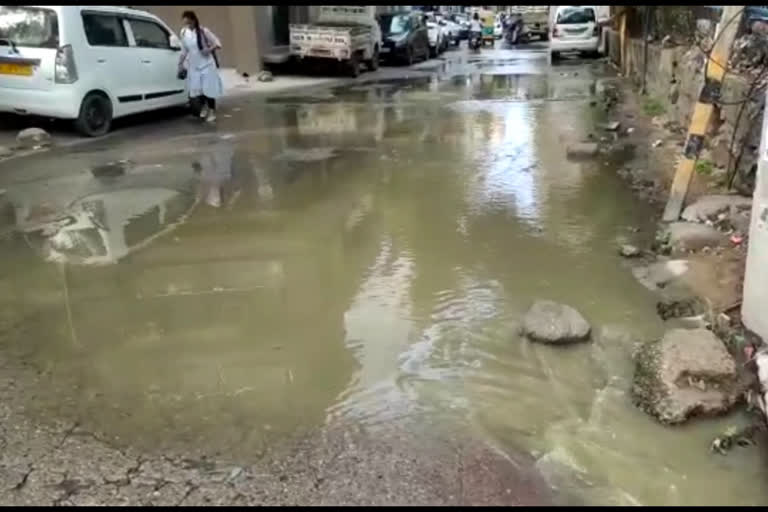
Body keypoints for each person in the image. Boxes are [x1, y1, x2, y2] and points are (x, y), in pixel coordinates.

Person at [178, 10, 223, 123]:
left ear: (193, 20)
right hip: (194, 66)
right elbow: (184, 50)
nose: (187, 25)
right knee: (198, 89)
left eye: (189, 23)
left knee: (209, 89)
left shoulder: (203, 31)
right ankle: (203, 108)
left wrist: (209, 50)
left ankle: (212, 111)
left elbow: (218, 43)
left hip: (207, 65)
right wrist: (180, 64)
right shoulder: (184, 33)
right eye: (185, 23)